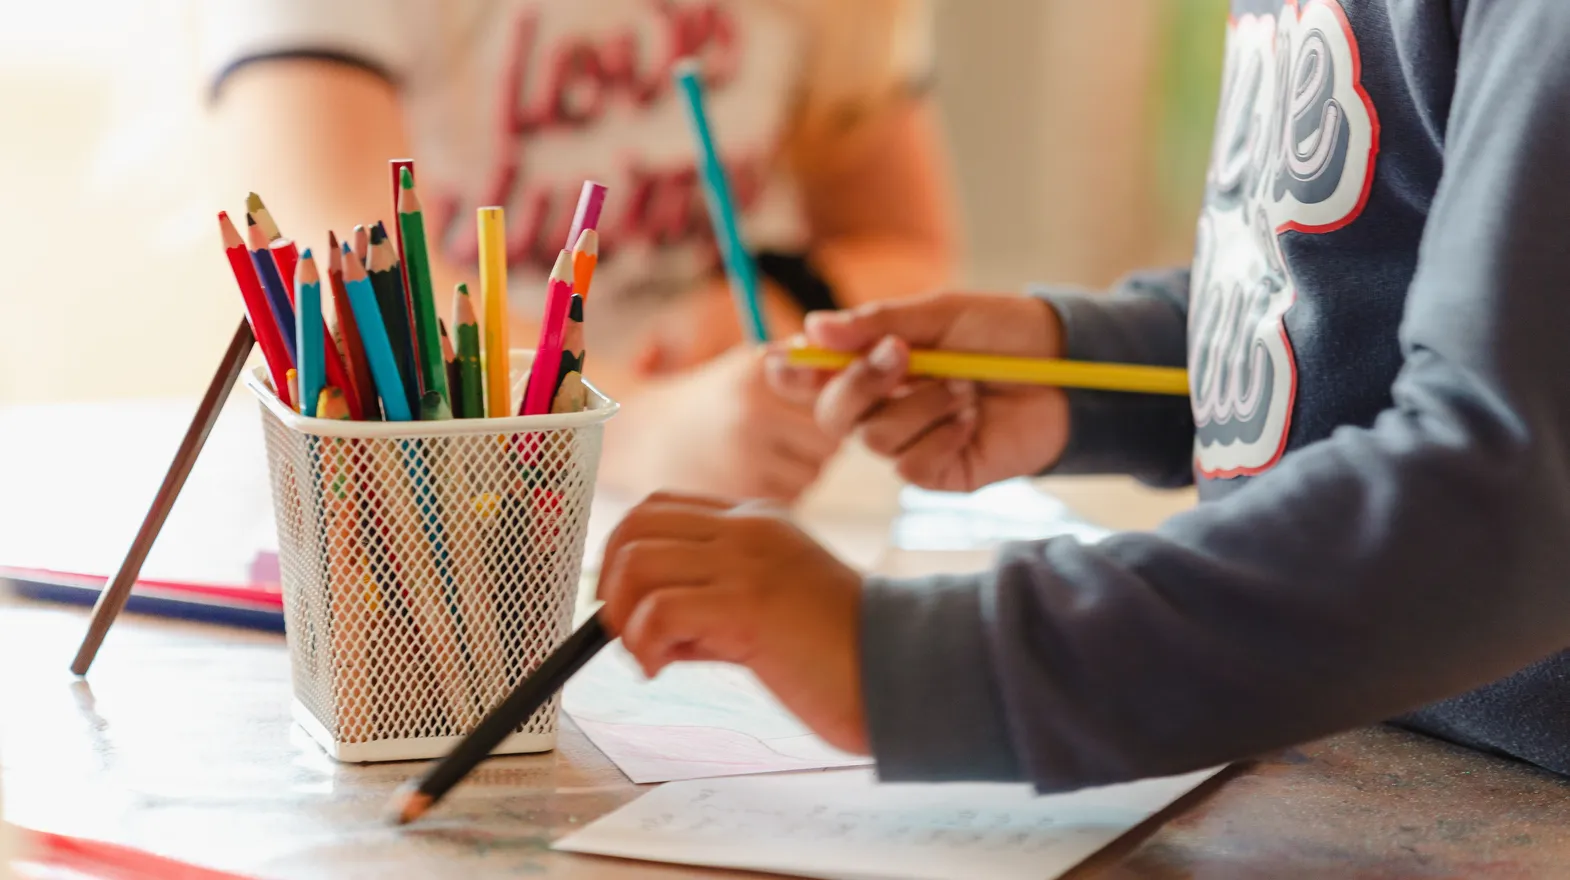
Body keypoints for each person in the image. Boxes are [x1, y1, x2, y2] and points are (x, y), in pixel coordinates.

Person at [595, 0, 1570, 788]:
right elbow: (1364, 283)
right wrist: (1084, 369)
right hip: (1364, 734)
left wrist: (911, 662)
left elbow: (1508, 496)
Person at [200, 0, 955, 501]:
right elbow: (347, 286)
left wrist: (784, 295)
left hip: (728, 492)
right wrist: (636, 430)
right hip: (421, 496)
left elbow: (913, 252)